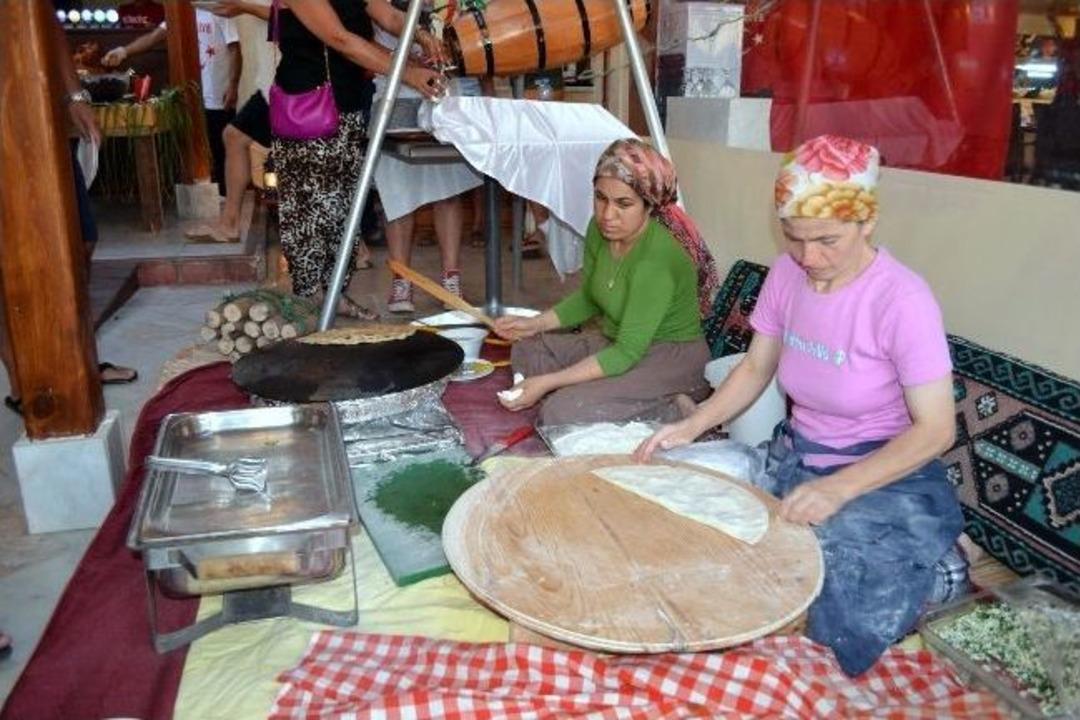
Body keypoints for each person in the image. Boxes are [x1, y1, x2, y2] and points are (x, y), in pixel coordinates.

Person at [635, 135, 967, 676]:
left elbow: (935, 430)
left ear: (867, 223)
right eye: (795, 238)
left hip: (879, 471)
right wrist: (692, 426)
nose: (810, 258)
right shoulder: (788, 275)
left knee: (833, 585)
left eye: (828, 240)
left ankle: (942, 560)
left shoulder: (902, 300)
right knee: (674, 497)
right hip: (798, 454)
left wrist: (837, 489)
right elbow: (755, 367)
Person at [494, 138, 719, 425]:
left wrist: (549, 382)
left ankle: (674, 408)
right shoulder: (600, 230)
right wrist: (535, 323)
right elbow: (590, 296)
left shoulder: (655, 261)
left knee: (560, 413)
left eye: (623, 204)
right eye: (601, 198)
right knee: (527, 349)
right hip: (617, 341)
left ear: (649, 206)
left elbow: (627, 353)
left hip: (670, 358)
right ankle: (599, 397)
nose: (607, 215)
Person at [270, 0, 444, 317]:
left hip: (348, 106)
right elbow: (340, 39)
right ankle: (307, 301)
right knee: (312, 214)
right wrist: (408, 73)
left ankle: (335, 292)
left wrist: (420, 35)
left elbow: (388, 15)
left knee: (343, 209)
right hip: (309, 109)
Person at [3, 11, 139, 416]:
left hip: (34, 115)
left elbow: (46, 21)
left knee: (78, 239)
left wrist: (74, 96)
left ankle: (77, 358)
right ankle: (21, 379)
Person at [372, 15, 483, 313]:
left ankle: (451, 280)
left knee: (448, 188)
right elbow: (364, 36)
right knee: (397, 194)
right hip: (392, 90)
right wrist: (407, 63)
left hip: (441, 91)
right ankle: (402, 280)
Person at [103, 8, 241, 193]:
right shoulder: (181, 12)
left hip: (218, 93)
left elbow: (235, 50)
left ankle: (227, 195)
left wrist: (233, 85)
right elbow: (153, 38)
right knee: (197, 147)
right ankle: (209, 194)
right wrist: (123, 51)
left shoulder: (220, 9)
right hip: (192, 94)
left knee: (221, 146)